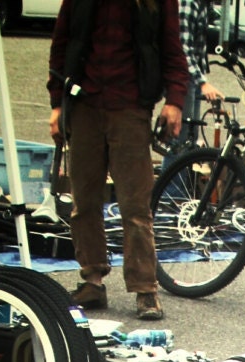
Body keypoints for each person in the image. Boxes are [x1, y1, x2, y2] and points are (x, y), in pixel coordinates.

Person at [49, 0, 188, 321]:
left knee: (135, 206)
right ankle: (92, 280)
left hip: (131, 108)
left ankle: (145, 289)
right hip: (83, 106)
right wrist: (57, 104)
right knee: (83, 201)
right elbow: (61, 45)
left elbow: (172, 49)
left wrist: (175, 102)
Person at [178, 0, 222, 140]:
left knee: (191, 136)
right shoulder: (188, 4)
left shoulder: (203, 5)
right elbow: (183, 50)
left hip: (193, 78)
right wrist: (203, 83)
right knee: (181, 140)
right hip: (183, 78)